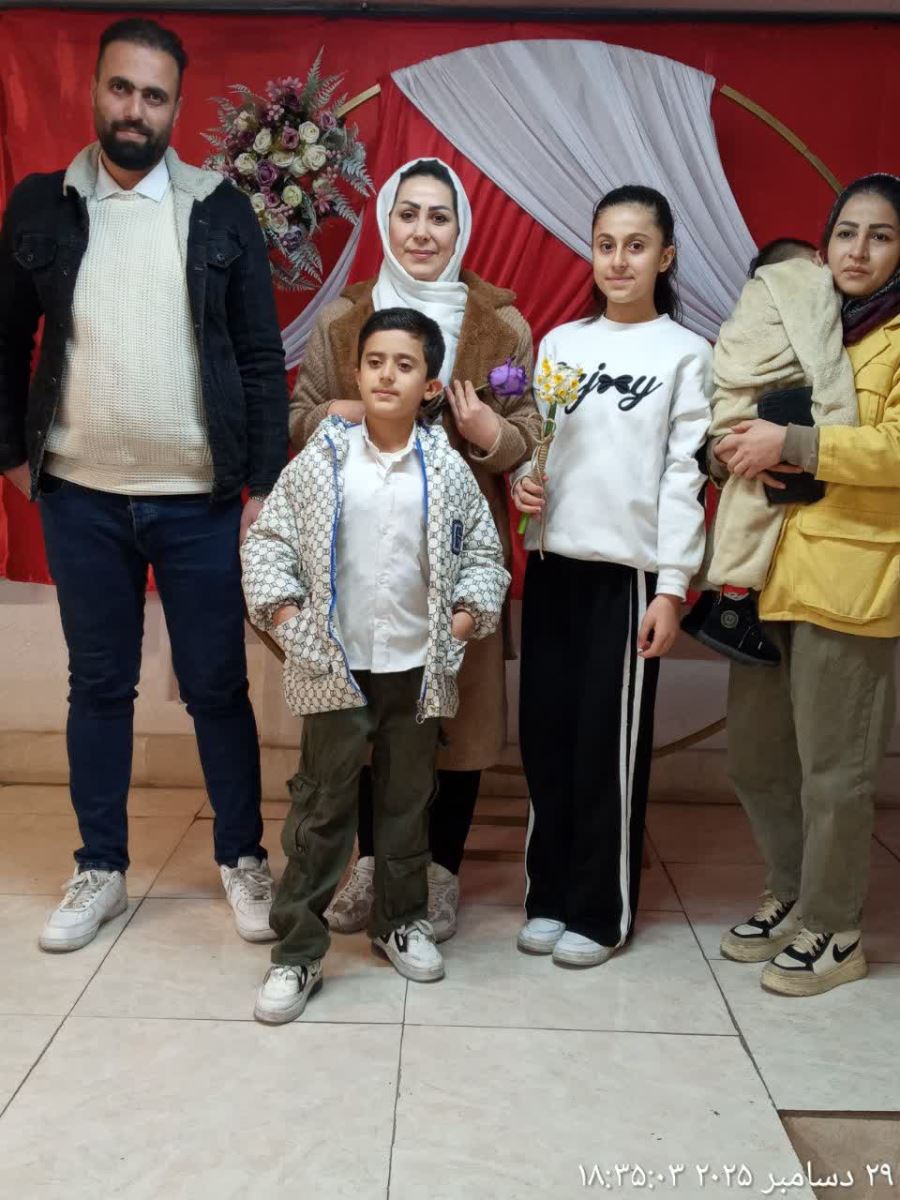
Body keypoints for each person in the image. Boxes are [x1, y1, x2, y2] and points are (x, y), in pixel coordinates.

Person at [0, 19, 288, 951]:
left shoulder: (218, 209)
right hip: (80, 495)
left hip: (198, 498)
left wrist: (261, 485)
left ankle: (242, 857)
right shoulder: (42, 204)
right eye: (121, 89)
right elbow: (5, 342)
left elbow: (259, 355)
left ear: (176, 107)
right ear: (96, 89)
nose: (135, 109)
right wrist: (15, 457)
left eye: (154, 96)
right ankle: (100, 868)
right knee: (99, 685)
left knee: (216, 685)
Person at [290, 157, 539, 941]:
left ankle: (439, 871)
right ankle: (370, 864)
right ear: (386, 223)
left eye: (439, 216)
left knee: (456, 714)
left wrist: (491, 434)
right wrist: (343, 412)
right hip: (360, 552)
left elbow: (530, 434)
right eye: (408, 214)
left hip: (460, 552)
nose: (422, 231)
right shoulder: (345, 319)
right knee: (370, 701)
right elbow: (298, 419)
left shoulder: (501, 325)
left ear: (460, 228)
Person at [241, 307, 509, 1023]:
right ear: (356, 374)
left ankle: (400, 920)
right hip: (336, 666)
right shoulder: (321, 462)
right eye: (375, 362)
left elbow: (485, 557)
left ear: (431, 386)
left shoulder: (447, 470)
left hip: (416, 670)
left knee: (405, 803)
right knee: (321, 807)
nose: (388, 375)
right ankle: (298, 950)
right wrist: (288, 618)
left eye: (405, 364)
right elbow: (267, 544)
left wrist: (460, 622)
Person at [512, 185, 712, 968]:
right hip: (553, 565)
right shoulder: (561, 344)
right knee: (547, 739)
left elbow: (683, 478)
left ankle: (601, 912)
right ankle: (549, 896)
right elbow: (543, 446)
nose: (618, 260)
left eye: (636, 245)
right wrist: (526, 485)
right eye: (605, 244)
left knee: (606, 747)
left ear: (665, 257)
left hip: (626, 578)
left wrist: (671, 587)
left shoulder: (685, 354)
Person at [715, 173, 900, 996]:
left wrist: (793, 444)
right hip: (768, 570)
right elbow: (743, 404)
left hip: (852, 579)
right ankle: (789, 895)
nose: (858, 250)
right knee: (756, 760)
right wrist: (728, 448)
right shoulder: (804, 316)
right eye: (846, 233)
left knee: (835, 773)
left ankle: (835, 928)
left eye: (881, 235)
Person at [683, 236, 857, 665]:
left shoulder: (751, 298)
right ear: (817, 258)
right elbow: (823, 354)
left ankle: (716, 601)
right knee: (767, 495)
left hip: (734, 400)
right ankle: (731, 607)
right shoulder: (806, 280)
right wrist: (839, 421)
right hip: (768, 403)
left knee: (746, 491)